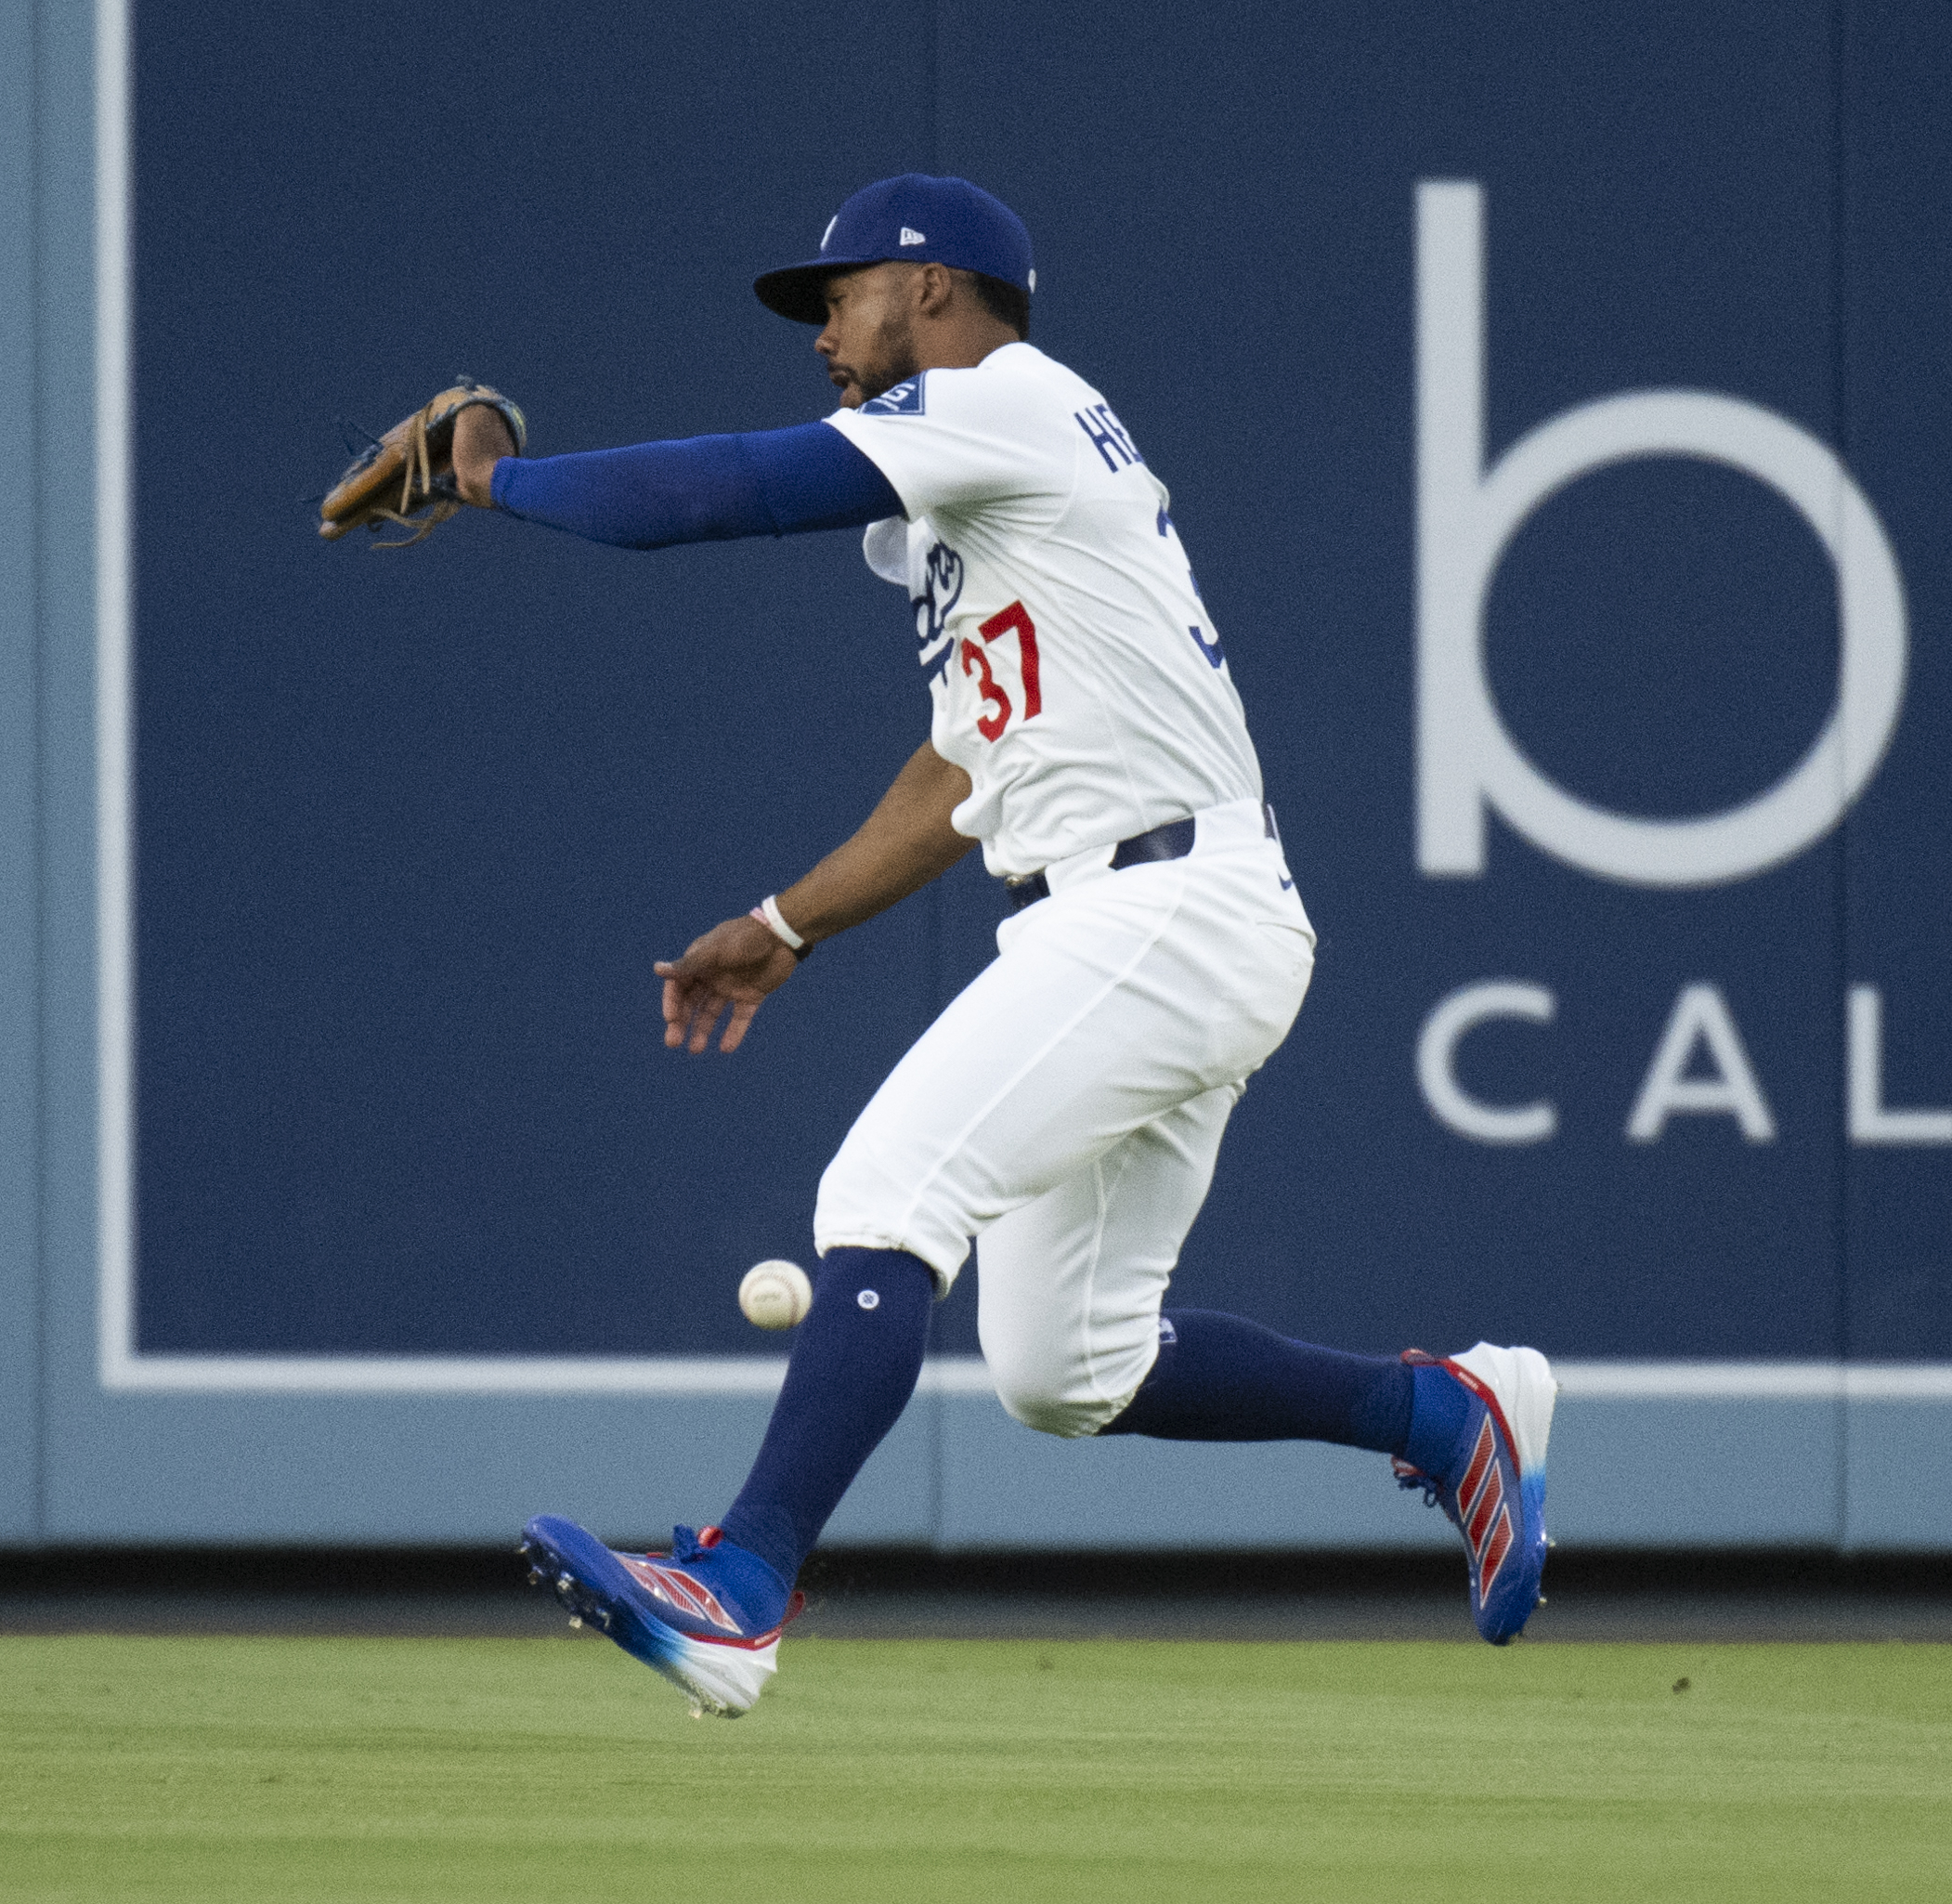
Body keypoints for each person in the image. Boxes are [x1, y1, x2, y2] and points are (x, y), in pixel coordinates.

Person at [484, 175, 1554, 1717]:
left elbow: (715, 491)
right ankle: (1442, 1414)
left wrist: (495, 480)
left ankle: (739, 1585)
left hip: (1162, 904)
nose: (822, 333)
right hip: (1168, 909)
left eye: (838, 296)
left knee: (886, 1193)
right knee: (1069, 1371)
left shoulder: (1007, 404)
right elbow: (961, 774)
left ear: (929, 288)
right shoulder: (981, 492)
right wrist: (790, 922)